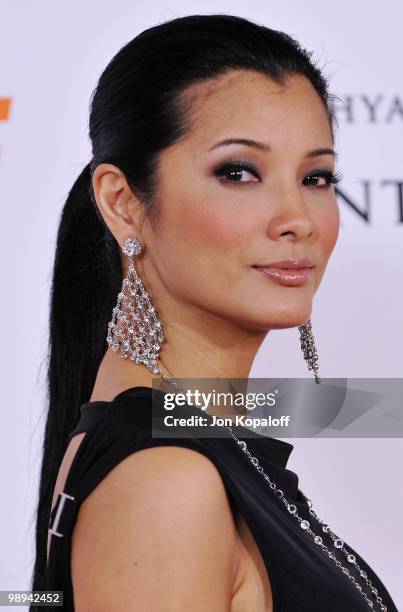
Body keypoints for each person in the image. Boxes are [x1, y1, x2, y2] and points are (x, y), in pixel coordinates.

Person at [30, 13, 398, 611]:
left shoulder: (188, 441)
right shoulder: (167, 483)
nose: (297, 219)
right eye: (238, 172)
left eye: (316, 177)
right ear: (122, 203)